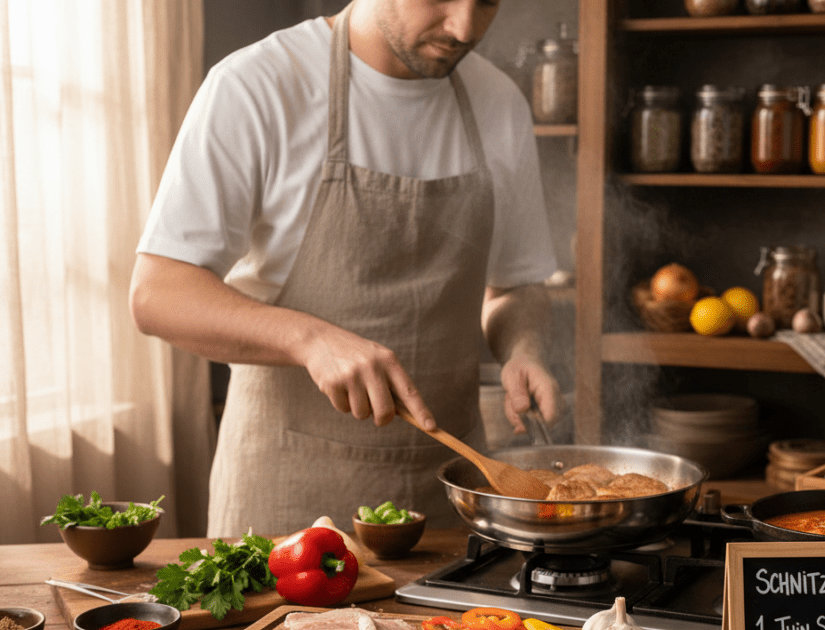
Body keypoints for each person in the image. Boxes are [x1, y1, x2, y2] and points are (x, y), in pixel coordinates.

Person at [129, 0, 561, 538]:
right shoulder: (257, 85)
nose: (464, 27)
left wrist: (523, 349)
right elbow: (158, 294)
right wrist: (307, 338)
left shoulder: (499, 101)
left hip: (452, 500)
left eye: (488, 1)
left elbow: (515, 284)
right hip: (288, 503)